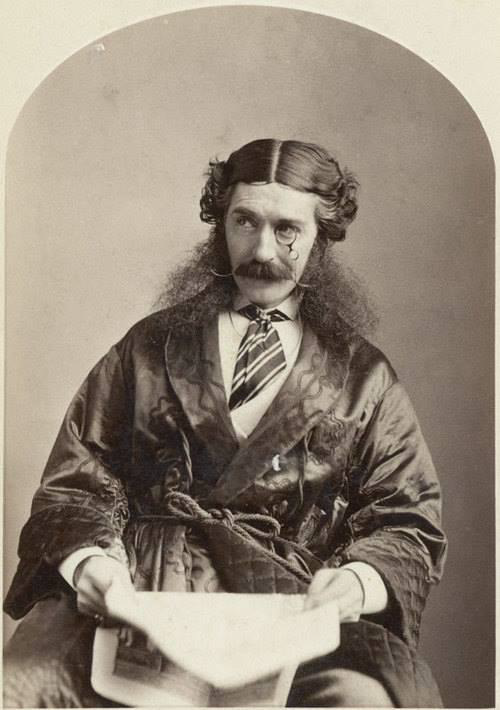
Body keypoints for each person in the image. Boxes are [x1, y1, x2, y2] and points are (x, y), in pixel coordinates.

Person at [4, 139, 447, 707]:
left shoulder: (364, 376)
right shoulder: (150, 346)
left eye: (287, 229)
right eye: (245, 221)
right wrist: (89, 562)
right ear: (221, 224)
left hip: (286, 603)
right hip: (143, 590)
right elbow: (76, 479)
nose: (262, 250)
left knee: (362, 701)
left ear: (321, 237)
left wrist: (356, 584)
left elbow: (407, 519)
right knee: (22, 687)